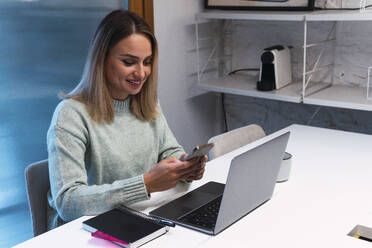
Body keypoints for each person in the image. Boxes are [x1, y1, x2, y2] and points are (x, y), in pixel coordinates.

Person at [46, 10, 207, 230]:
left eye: (147, 62)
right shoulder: (70, 114)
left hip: (141, 217)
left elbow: (169, 152)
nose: (141, 73)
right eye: (129, 62)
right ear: (102, 59)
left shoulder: (148, 104)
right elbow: (68, 202)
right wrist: (146, 184)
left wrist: (185, 167)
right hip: (88, 231)